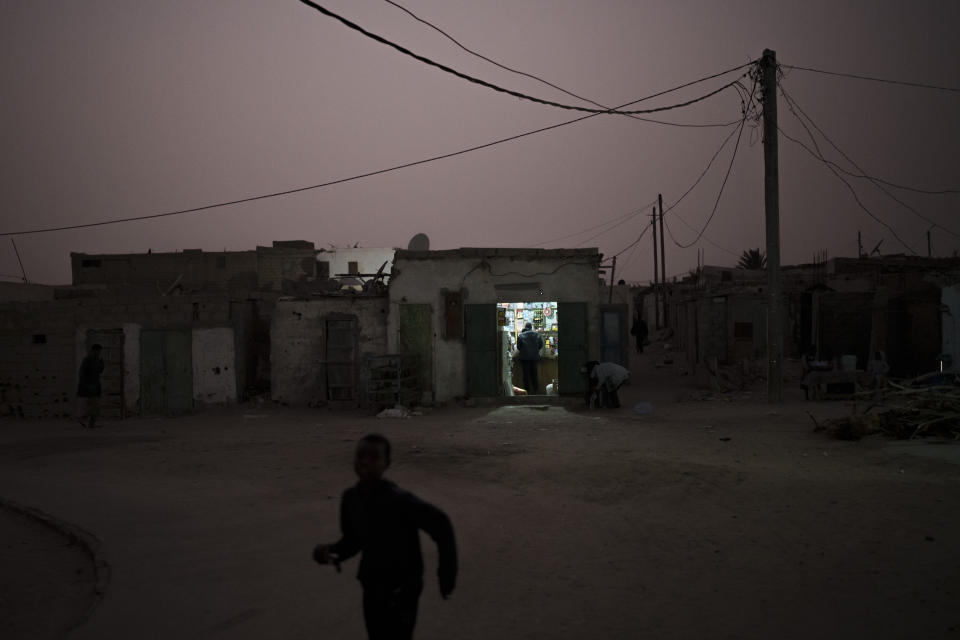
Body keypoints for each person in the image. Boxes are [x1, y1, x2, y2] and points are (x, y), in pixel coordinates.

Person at [314, 434, 457, 640]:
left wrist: (446, 575)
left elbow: (441, 525)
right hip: (371, 585)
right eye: (361, 455)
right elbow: (353, 541)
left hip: (402, 588)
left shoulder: (399, 501)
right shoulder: (351, 498)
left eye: (373, 457)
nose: (365, 461)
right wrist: (332, 553)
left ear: (386, 464)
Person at [76, 344, 104, 428]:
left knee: (95, 406)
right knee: (92, 406)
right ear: (93, 350)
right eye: (97, 351)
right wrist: (85, 385)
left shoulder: (96, 360)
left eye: (99, 351)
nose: (99, 353)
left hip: (95, 386)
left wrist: (101, 364)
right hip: (88, 387)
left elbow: (99, 371)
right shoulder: (87, 359)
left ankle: (90, 423)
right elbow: (82, 373)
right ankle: (82, 418)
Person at [516, 322, 544, 394]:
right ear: (531, 327)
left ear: (525, 327)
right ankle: (535, 391)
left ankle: (527, 392)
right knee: (534, 375)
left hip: (524, 358)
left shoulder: (520, 335)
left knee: (526, 376)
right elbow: (541, 345)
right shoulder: (537, 334)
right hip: (534, 358)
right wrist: (535, 350)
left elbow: (518, 347)